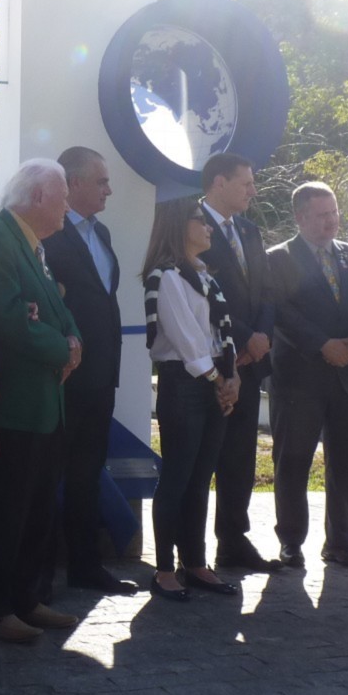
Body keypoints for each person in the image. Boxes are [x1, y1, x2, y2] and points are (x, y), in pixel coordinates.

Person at [0, 159, 84, 643]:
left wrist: (73, 339)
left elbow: (56, 308)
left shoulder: (32, 244)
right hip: (13, 406)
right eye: (63, 197)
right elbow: (7, 319)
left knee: (36, 510)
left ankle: (26, 599)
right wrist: (63, 349)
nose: (68, 207)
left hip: (44, 407)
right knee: (4, 512)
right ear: (36, 197)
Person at [41, 146, 136, 595]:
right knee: (47, 476)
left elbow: (103, 298)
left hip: (100, 375)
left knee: (87, 474)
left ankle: (85, 566)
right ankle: (37, 576)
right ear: (73, 183)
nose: (109, 190)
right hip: (61, 377)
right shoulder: (49, 235)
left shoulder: (103, 233)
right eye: (101, 182)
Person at [266, 182, 348, 570]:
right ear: (300, 217)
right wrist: (322, 345)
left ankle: (341, 544)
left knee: (346, 464)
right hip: (299, 379)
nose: (331, 221)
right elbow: (280, 312)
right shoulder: (277, 259)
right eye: (321, 215)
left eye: (334, 212)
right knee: (293, 462)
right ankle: (291, 542)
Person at [142, 198, 242, 602]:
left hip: (212, 380)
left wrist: (231, 377)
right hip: (184, 383)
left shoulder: (205, 276)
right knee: (177, 478)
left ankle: (196, 563)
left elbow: (219, 337)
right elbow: (187, 339)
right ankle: (165, 569)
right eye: (200, 220)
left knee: (201, 479)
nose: (209, 227)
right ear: (178, 225)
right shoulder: (166, 276)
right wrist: (219, 379)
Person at [197, 153, 282, 573]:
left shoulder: (249, 229)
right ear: (219, 182)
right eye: (245, 183)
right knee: (202, 458)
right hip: (211, 361)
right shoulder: (191, 225)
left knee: (240, 457)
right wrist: (245, 336)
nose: (252, 190)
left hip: (249, 362)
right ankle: (188, 552)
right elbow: (204, 291)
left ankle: (232, 540)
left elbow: (265, 289)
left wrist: (260, 338)